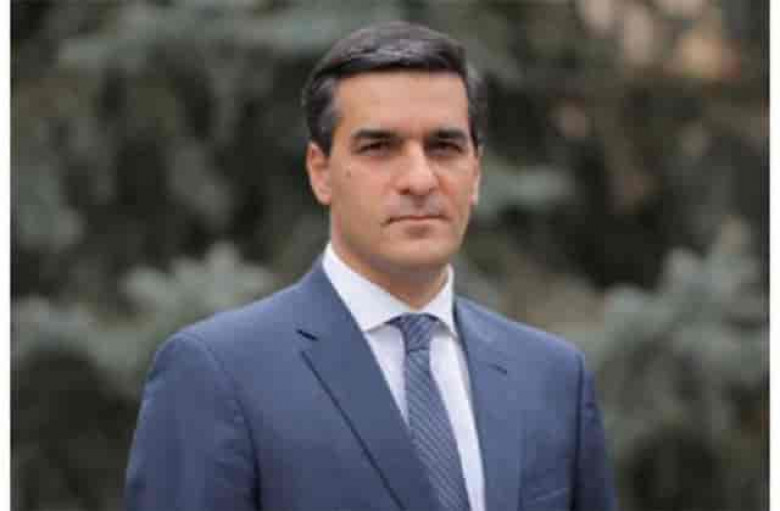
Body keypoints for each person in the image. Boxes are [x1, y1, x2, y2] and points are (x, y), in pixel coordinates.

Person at [125, 21, 616, 511]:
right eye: (379, 147)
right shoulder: (219, 376)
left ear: (476, 172)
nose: (420, 179)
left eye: (444, 147)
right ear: (321, 172)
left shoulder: (552, 378)